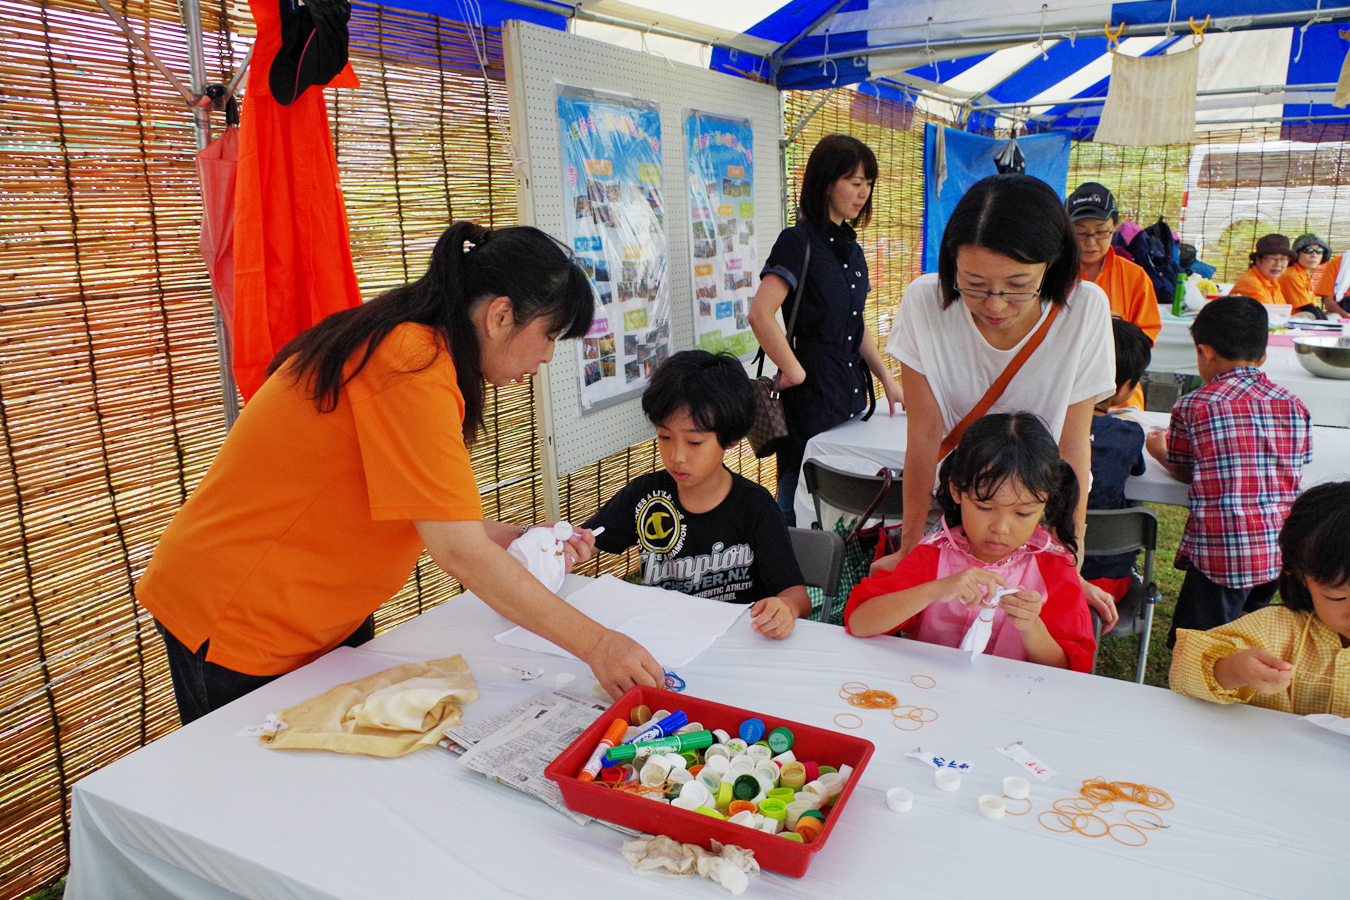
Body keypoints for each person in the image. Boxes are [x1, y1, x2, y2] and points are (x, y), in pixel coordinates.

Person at [138, 222, 665, 724]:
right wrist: (599, 645)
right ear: (500, 316)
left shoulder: (417, 353)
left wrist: (520, 538)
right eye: (550, 336)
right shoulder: (409, 361)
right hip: (240, 614)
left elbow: (430, 513)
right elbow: (456, 549)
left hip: (314, 612)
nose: (548, 357)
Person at [881, 173, 1119, 630]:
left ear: (1051, 265)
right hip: (954, 505)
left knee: (1021, 637)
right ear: (951, 262)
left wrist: (1069, 558)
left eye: (1017, 285)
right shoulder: (924, 303)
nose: (995, 304)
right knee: (938, 633)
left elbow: (1072, 447)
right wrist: (911, 545)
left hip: (1033, 512)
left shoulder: (1084, 308)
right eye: (973, 283)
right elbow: (925, 435)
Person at [581, 351, 811, 638]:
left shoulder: (754, 506)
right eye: (664, 437)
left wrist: (785, 608)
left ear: (732, 439)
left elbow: (798, 597)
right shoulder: (644, 496)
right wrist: (566, 546)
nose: (676, 456)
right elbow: (585, 542)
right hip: (664, 638)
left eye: (694, 442)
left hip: (736, 641)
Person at [844, 413, 1095, 672]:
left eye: (1023, 513)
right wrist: (934, 590)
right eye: (984, 507)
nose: (1000, 528)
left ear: (1047, 504)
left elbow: (1071, 671)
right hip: (928, 692)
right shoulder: (934, 554)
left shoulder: (1054, 569)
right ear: (956, 491)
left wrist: (1032, 627)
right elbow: (860, 622)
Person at [750, 134, 903, 525]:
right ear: (825, 182)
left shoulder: (852, 249)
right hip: (812, 398)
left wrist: (886, 377)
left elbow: (856, 324)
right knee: (798, 497)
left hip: (851, 395)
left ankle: (836, 570)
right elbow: (761, 314)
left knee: (844, 501)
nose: (864, 192)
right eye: (855, 182)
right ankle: (792, 569)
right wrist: (794, 369)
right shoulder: (796, 241)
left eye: (869, 183)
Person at [1145, 296, 1312, 648]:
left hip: (1223, 552)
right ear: (1262, 356)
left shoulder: (1194, 404)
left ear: (1205, 352)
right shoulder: (1293, 404)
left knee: (1198, 645)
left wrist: (1157, 449)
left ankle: (1199, 685)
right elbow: (1296, 464)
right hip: (1278, 550)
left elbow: (1185, 470)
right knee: (1249, 631)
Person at [1169, 481, 1350, 716]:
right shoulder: (1274, 630)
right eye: (1338, 597)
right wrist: (1234, 669)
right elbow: (1185, 668)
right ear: (1301, 577)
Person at [1067, 182, 1159, 410]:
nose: (1090, 242)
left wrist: (1116, 330)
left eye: (1100, 231)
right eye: (1080, 232)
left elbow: (1146, 339)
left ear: (1114, 227)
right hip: (1064, 391)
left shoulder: (1134, 276)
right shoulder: (1050, 273)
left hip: (1119, 398)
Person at [1081, 320, 1151, 608]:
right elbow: (1137, 470)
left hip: (1043, 571)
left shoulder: (1042, 429)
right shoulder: (1129, 434)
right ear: (1125, 388)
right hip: (1107, 581)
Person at [1229, 234, 1293, 305]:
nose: (1278, 264)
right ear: (1258, 260)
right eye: (1272, 258)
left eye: (1283, 259)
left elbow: (1281, 310)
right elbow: (1265, 313)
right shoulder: (1251, 283)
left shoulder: (1273, 281)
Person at [1279, 233, 1331, 317]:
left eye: (1319, 251)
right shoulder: (1292, 275)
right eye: (1308, 251)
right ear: (1297, 254)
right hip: (1291, 323)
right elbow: (1307, 308)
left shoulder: (1304, 275)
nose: (1314, 255)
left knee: (1334, 316)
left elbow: (1314, 307)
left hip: (1303, 320)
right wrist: (1328, 328)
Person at [1310, 245, 1349, 317]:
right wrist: (1346, 316)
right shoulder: (1339, 262)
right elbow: (1328, 301)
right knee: (1333, 318)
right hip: (1341, 314)